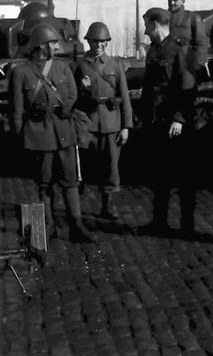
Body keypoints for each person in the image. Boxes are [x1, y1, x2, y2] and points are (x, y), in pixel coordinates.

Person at [9, 23, 94, 243]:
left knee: (70, 180)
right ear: (42, 46)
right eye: (53, 43)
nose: (57, 47)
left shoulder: (62, 67)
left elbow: (72, 93)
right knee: (44, 182)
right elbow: (16, 110)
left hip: (64, 131)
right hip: (38, 134)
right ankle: (47, 226)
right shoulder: (21, 72)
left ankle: (76, 225)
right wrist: (21, 138)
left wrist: (67, 106)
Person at [137, 7, 198, 237]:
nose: (145, 31)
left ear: (155, 25)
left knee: (184, 176)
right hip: (158, 121)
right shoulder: (154, 50)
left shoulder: (180, 49)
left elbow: (188, 87)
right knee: (160, 175)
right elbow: (149, 88)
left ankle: (187, 226)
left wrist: (179, 119)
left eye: (146, 25)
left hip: (175, 123)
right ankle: (159, 221)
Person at [73, 22, 133, 221]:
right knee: (86, 166)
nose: (98, 45)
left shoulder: (115, 65)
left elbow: (124, 97)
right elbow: (72, 97)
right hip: (88, 121)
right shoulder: (80, 65)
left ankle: (108, 206)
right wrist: (83, 89)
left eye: (102, 42)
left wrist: (126, 126)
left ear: (107, 43)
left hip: (110, 122)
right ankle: (77, 208)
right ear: (88, 41)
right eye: (95, 41)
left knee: (111, 167)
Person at [163, 0, 209, 81]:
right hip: (167, 64)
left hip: (186, 63)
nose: (172, 3)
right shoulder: (163, 18)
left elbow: (202, 42)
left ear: (183, 1)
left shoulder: (192, 18)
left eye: (175, 0)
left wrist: (198, 63)